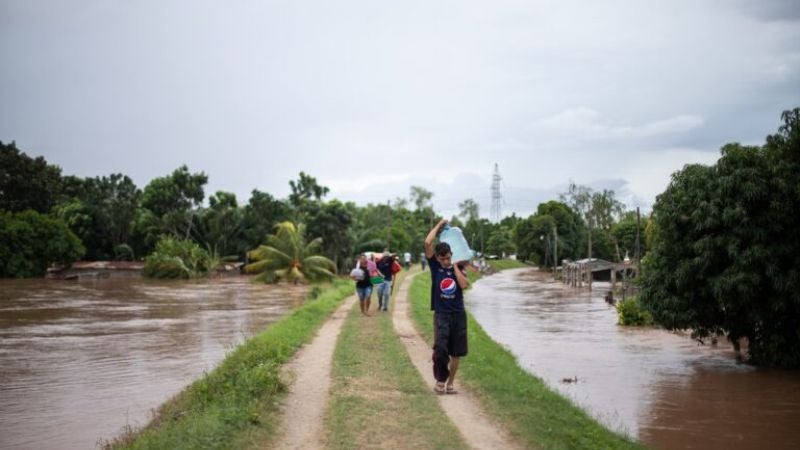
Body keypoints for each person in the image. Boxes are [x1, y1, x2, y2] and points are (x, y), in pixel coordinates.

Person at [425, 218, 470, 395]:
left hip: (458, 314)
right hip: (442, 314)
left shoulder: (458, 266)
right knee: (441, 348)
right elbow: (428, 242)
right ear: (437, 258)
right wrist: (439, 225)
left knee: (456, 352)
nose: (445, 261)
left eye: (448, 257)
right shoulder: (435, 268)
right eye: (442, 258)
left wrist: (455, 266)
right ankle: (440, 380)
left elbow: (464, 285)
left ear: (452, 254)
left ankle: (450, 383)